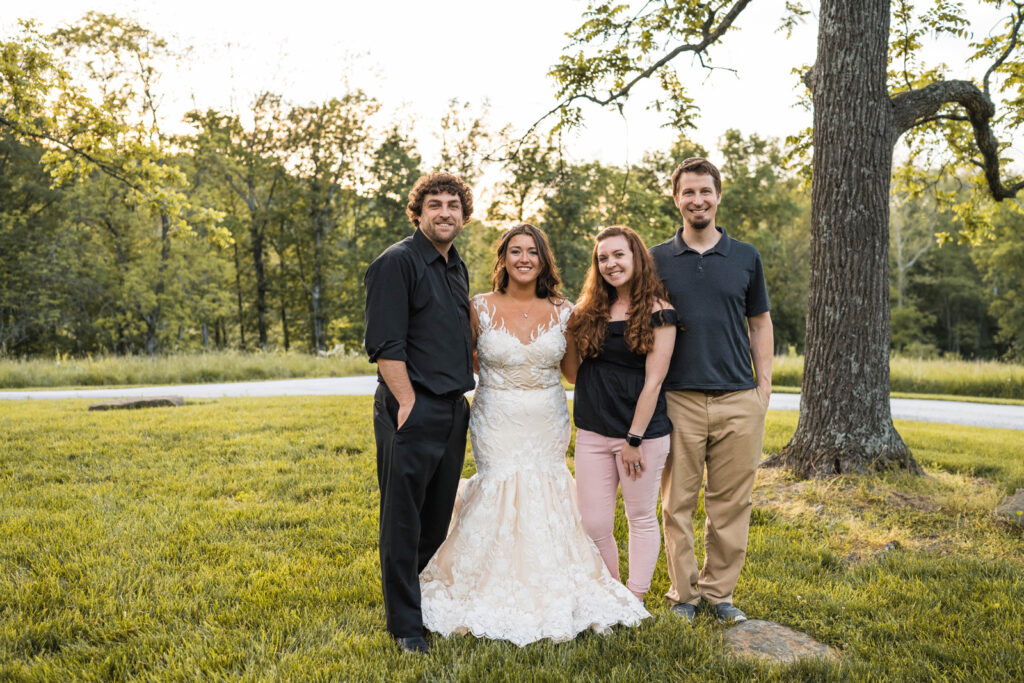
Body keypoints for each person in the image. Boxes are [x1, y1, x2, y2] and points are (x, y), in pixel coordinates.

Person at [419, 223, 649, 647]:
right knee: (500, 486)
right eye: (515, 251)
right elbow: (463, 360)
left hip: (546, 416)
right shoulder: (478, 307)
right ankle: (484, 580)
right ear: (503, 259)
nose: (524, 259)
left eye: (533, 252)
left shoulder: (566, 311)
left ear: (544, 260)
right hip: (497, 416)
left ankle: (557, 580)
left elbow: (576, 372)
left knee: (546, 488)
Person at [650, 157, 773, 624]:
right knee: (676, 502)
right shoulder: (657, 259)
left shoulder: (746, 257)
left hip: (739, 399)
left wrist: (762, 387)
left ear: (718, 196)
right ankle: (683, 595)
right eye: (688, 193)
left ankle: (720, 594)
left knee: (730, 503)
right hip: (678, 398)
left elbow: (760, 323)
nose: (697, 200)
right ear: (676, 198)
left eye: (705, 191)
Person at [364, 172, 476, 655]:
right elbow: (386, 344)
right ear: (418, 212)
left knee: (435, 520)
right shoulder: (396, 262)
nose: (445, 212)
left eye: (454, 204)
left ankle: (419, 600)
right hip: (411, 407)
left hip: (453, 409)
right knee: (403, 521)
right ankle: (406, 627)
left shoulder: (456, 267)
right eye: (435, 204)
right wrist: (407, 401)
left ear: (464, 216)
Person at [565, 226, 677, 603]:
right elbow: (572, 371)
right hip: (593, 432)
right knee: (593, 522)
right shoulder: (589, 311)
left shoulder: (660, 312)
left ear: (636, 258)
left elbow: (655, 380)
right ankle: (613, 592)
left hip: (640, 435)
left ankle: (636, 597)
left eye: (618, 255)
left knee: (640, 517)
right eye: (602, 258)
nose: (610, 264)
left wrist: (634, 439)